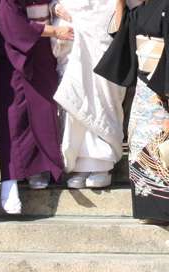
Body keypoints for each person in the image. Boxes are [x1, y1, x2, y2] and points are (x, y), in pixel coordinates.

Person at [95, 0, 169, 248]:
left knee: (164, 151)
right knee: (138, 145)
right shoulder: (141, 10)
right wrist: (120, 4)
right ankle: (157, 208)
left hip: (164, 87)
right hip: (145, 87)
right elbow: (120, 35)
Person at [0, 0, 73, 214]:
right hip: (19, 54)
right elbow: (14, 26)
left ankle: (39, 169)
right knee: (15, 117)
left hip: (44, 51)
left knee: (44, 111)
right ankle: (9, 181)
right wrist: (55, 30)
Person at [51, 0, 126, 189]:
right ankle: (80, 164)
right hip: (74, 31)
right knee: (75, 97)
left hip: (103, 29)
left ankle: (102, 165)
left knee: (102, 97)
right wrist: (54, 6)